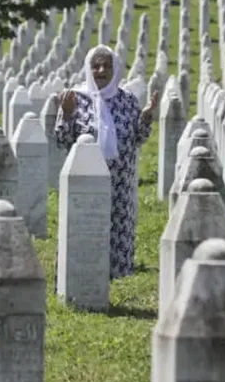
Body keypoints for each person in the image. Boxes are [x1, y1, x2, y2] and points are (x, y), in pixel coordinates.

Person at [55, 44, 159, 279]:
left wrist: (146, 117)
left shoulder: (127, 100)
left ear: (116, 69)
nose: (101, 70)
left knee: (118, 227)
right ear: (88, 69)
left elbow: (138, 138)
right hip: (85, 180)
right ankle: (81, 275)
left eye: (106, 66)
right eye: (96, 66)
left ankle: (117, 277)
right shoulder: (76, 98)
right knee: (84, 227)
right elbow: (62, 139)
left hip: (120, 179)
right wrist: (68, 113)